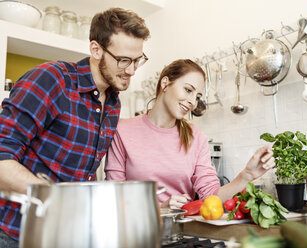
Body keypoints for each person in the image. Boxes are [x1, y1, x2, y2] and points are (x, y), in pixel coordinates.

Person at [0, 7, 150, 246]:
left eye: (137, 60)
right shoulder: (51, 80)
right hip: (14, 235)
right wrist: (59, 199)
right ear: (96, 49)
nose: (131, 70)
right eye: (124, 60)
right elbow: (2, 158)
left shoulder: (112, 102)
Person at [105, 59, 275, 209]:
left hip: (182, 234)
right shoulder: (122, 130)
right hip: (137, 234)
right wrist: (159, 208)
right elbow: (113, 197)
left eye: (198, 96)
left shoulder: (195, 136)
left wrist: (247, 175)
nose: (193, 102)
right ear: (165, 83)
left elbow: (211, 197)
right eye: (188, 90)